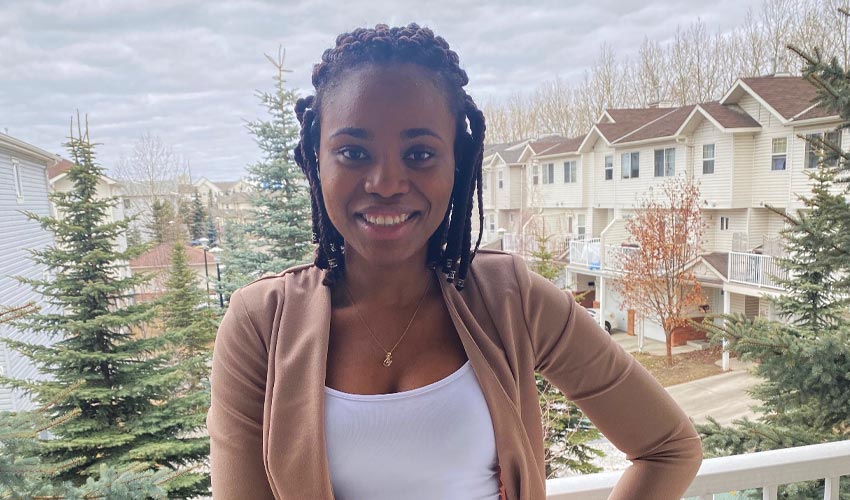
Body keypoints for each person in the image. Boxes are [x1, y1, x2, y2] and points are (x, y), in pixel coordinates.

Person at [207, 23, 702, 499]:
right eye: (354, 152)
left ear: (457, 163)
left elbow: (669, 449)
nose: (385, 182)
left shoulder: (511, 300)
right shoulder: (262, 325)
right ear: (317, 160)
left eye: (419, 154)